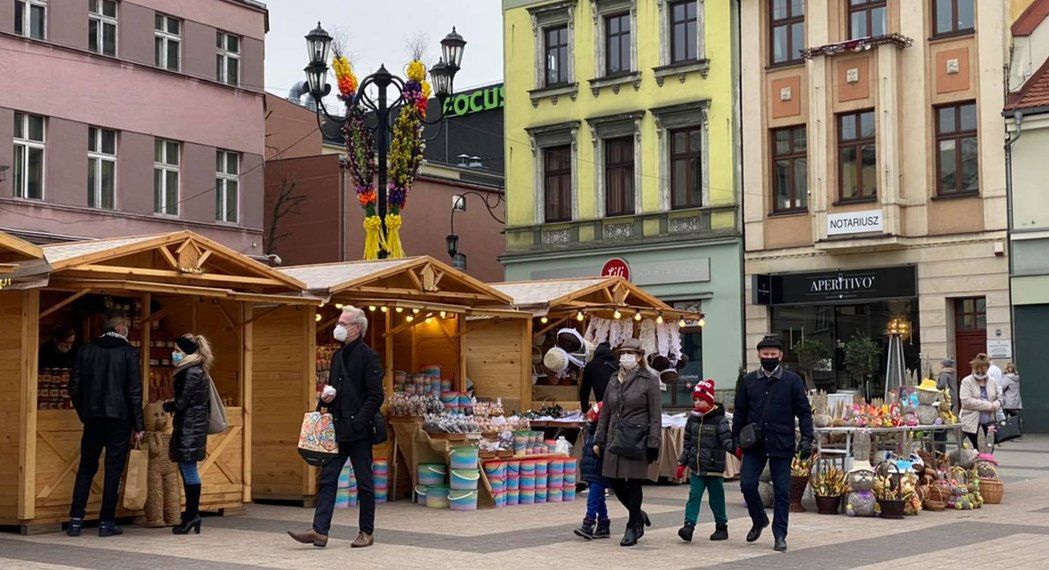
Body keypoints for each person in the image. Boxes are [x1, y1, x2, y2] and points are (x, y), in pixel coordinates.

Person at [289, 306, 384, 549]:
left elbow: (375, 397)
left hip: (360, 431)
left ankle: (366, 531)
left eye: (343, 323)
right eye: (339, 322)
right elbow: (335, 387)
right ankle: (319, 531)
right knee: (328, 478)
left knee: (364, 481)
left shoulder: (368, 356)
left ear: (356, 328)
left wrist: (358, 423)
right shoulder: (337, 356)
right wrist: (325, 399)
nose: (338, 327)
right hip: (337, 428)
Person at [67, 309, 144, 537]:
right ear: (120, 327)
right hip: (120, 419)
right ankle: (106, 522)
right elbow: (134, 391)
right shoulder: (129, 353)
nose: (128, 330)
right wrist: (139, 425)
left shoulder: (85, 350)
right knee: (113, 469)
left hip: (93, 418)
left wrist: (84, 412)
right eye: (127, 326)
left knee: (86, 467)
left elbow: (74, 387)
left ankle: (75, 520)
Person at [733, 336, 813, 553]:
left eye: (773, 354)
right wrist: (734, 439)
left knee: (782, 491)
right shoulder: (749, 381)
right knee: (747, 484)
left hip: (781, 441)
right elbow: (739, 412)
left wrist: (807, 438)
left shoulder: (792, 380)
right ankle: (759, 519)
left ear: (780, 355)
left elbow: (804, 412)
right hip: (755, 443)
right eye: (765, 354)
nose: (769, 357)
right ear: (758, 355)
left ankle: (780, 534)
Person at [593, 338, 661, 548]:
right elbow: (605, 411)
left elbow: (655, 414)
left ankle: (632, 526)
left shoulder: (649, 379)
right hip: (615, 436)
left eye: (630, 354)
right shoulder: (614, 378)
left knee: (633, 482)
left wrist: (653, 441)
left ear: (639, 357)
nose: (625, 357)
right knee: (613, 479)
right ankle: (638, 513)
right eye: (622, 354)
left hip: (637, 437)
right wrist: (599, 437)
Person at [162, 334, 214, 535]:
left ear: (185, 352)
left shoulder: (189, 371)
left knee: (189, 468)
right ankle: (191, 515)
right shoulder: (197, 369)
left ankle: (192, 515)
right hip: (193, 425)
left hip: (189, 426)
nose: (173, 354)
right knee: (187, 468)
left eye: (177, 350)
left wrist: (166, 405)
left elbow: (182, 402)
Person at [676, 379, 733, 544]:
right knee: (694, 496)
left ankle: (721, 526)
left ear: (709, 400)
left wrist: (736, 450)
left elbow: (726, 440)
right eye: (695, 399)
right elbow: (687, 444)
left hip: (714, 468)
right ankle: (688, 526)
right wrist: (682, 463)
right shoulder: (692, 419)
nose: (697, 402)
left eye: (700, 399)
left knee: (716, 498)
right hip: (697, 468)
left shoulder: (719, 419)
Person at [574, 402, 611, 541]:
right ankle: (603, 524)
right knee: (599, 499)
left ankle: (588, 523)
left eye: (591, 417)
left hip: (598, 471)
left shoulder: (603, 433)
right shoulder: (591, 432)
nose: (588, 419)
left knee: (593, 499)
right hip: (593, 470)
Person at [959, 353, 1002, 449]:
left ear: (987, 368)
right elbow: (966, 401)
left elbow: (1000, 398)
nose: (979, 371)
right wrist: (989, 406)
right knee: (973, 454)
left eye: (982, 368)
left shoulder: (993, 381)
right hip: (971, 425)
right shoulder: (966, 381)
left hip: (989, 424)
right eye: (977, 368)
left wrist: (996, 404)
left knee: (988, 454)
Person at [580, 341, 616, 411]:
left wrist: (585, 409)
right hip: (619, 406)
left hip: (601, 405)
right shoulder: (617, 363)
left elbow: (584, 391)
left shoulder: (590, 365)